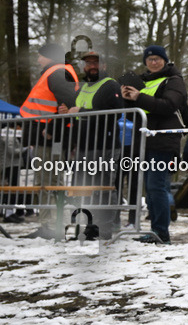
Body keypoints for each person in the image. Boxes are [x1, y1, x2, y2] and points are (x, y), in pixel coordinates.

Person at [120, 45, 188, 245]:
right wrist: (128, 99)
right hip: (145, 142)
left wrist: (139, 97)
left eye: (158, 58)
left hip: (164, 141)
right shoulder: (143, 82)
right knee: (150, 189)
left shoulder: (174, 81)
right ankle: (155, 230)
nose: (154, 62)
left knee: (156, 186)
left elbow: (169, 106)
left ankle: (161, 233)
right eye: (150, 59)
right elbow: (138, 110)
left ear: (165, 60)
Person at [20, 42, 79, 238]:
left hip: (50, 138)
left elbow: (68, 104)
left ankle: (52, 225)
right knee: (47, 180)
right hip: (46, 137)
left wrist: (53, 129)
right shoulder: (56, 72)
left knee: (48, 181)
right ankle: (49, 224)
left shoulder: (57, 72)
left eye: (40, 56)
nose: (38, 60)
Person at [63, 50, 122, 240]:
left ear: (103, 66)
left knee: (104, 187)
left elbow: (118, 111)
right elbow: (78, 114)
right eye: (88, 63)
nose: (92, 66)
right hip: (83, 146)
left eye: (96, 63)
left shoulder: (110, 84)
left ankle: (104, 228)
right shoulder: (82, 88)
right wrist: (67, 111)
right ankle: (89, 227)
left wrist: (81, 110)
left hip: (105, 145)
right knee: (85, 188)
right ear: (84, 67)